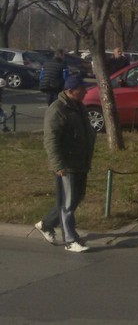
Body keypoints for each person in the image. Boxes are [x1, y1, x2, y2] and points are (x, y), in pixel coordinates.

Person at [33, 74, 95, 252]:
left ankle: (46, 224)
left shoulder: (78, 106)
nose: (85, 91)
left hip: (80, 161)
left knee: (75, 198)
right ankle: (70, 240)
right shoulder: (57, 109)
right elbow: (51, 140)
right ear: (70, 91)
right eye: (81, 89)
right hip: (66, 164)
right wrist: (57, 164)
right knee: (67, 203)